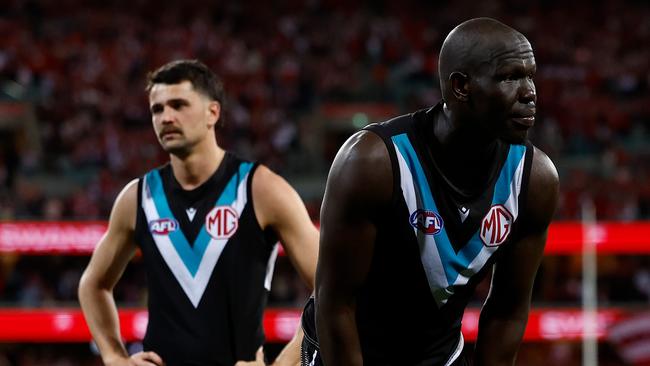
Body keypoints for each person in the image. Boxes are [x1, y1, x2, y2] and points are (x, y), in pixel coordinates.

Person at [304, 17, 559, 365]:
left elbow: (506, 314)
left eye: (530, 76)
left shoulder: (535, 179)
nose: (529, 92)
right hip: (352, 352)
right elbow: (335, 306)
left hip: (440, 356)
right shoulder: (372, 162)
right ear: (461, 86)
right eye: (510, 77)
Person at [78, 59, 319, 366]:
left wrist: (285, 363)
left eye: (178, 105)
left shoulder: (260, 189)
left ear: (212, 112)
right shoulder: (138, 197)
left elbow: (331, 285)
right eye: (157, 109)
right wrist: (114, 357)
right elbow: (93, 284)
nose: (166, 117)